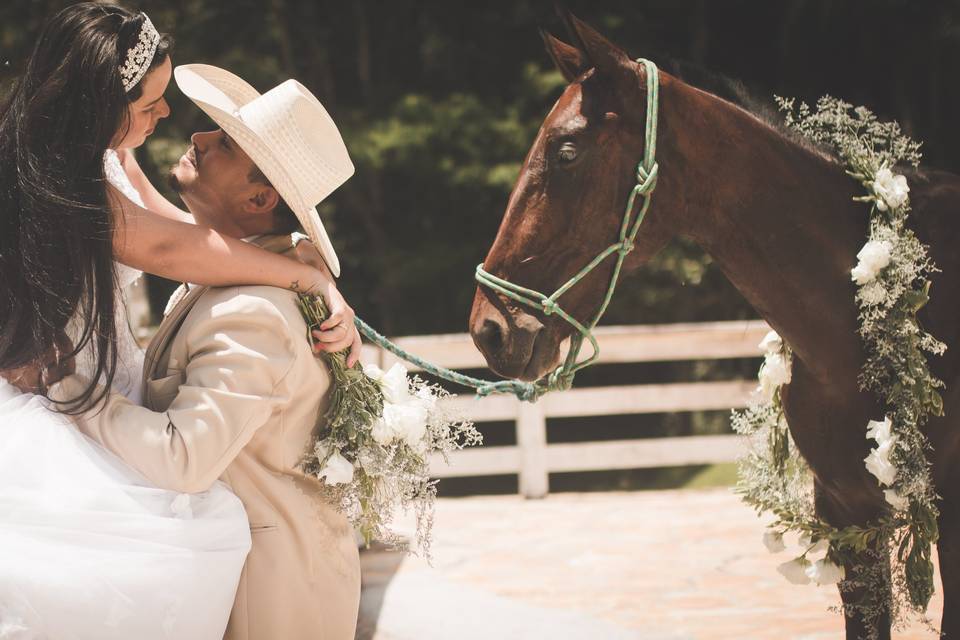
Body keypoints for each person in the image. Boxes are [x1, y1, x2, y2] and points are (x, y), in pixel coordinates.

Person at [0, 4, 353, 637]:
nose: (171, 119)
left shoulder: (102, 155)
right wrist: (307, 277)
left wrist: (297, 262)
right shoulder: (63, 175)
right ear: (103, 106)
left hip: (104, 398)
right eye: (151, 102)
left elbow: (184, 232)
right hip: (58, 397)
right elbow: (165, 249)